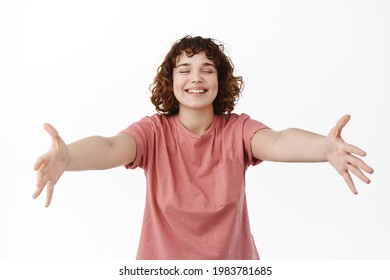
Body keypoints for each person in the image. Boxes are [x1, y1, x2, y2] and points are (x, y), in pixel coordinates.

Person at [33, 35, 374, 260]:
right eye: (185, 70)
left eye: (206, 70)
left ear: (219, 82)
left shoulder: (237, 130)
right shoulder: (153, 132)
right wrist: (69, 157)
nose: (196, 77)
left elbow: (279, 140)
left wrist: (324, 148)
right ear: (171, 81)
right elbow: (110, 147)